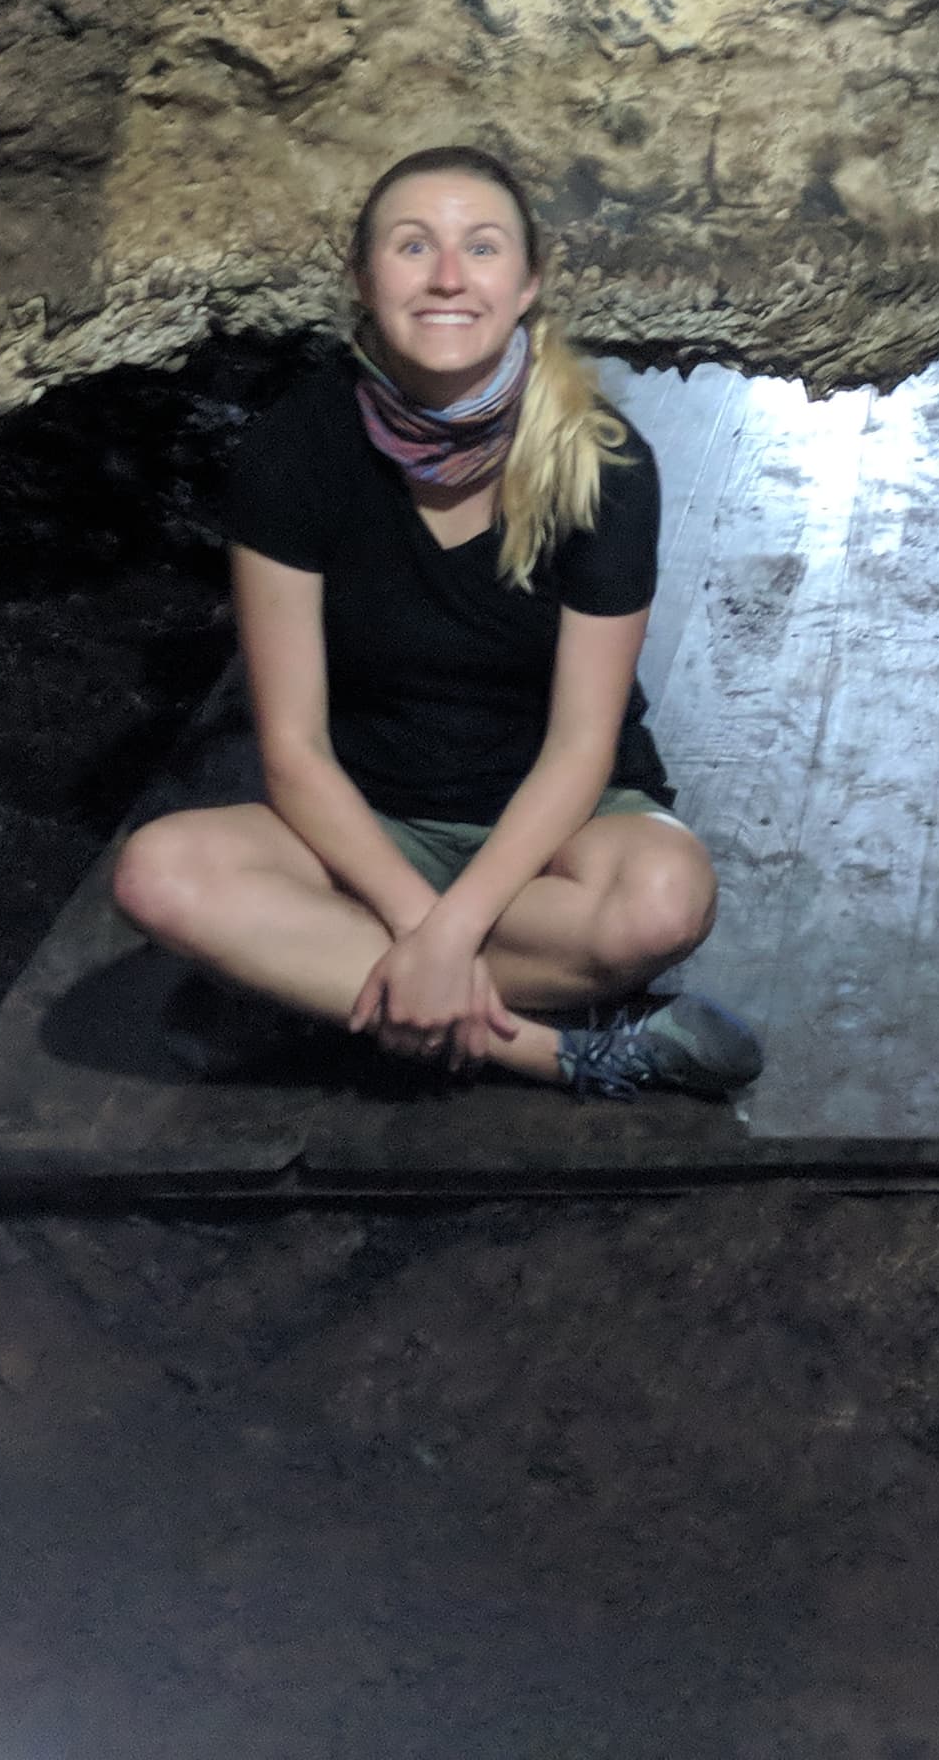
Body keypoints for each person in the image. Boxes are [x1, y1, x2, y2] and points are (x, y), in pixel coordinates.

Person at [111, 145, 763, 1101]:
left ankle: (306, 986)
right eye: (413, 247)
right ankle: (560, 1051)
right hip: (364, 820)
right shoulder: (295, 451)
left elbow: (583, 746)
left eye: (482, 248)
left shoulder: (604, 466)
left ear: (529, 282)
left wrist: (450, 937)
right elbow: (292, 747)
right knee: (157, 875)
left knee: (663, 900)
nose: (449, 277)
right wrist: (426, 927)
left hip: (558, 828)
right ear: (364, 279)